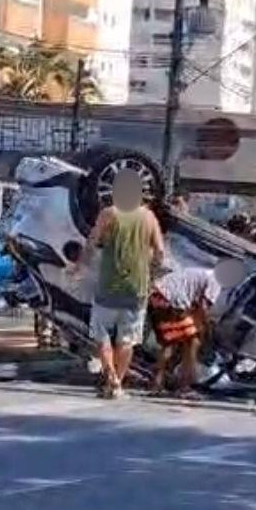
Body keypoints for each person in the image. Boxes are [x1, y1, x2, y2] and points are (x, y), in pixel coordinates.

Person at [73, 170, 165, 399]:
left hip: (108, 285)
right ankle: (117, 385)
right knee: (127, 339)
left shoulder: (109, 213)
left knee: (102, 334)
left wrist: (80, 266)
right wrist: (152, 275)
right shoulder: (149, 218)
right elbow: (161, 252)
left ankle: (111, 377)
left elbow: (92, 242)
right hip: (137, 288)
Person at [148, 266, 221, 397]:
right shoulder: (216, 280)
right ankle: (185, 386)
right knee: (193, 342)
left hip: (157, 298)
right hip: (172, 303)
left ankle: (157, 383)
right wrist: (207, 328)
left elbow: (195, 305)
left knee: (170, 343)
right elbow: (203, 308)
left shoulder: (203, 272)